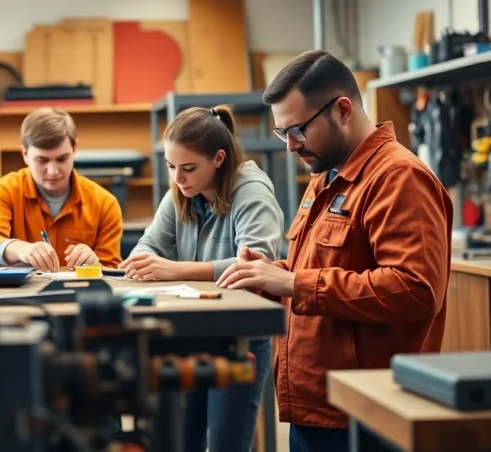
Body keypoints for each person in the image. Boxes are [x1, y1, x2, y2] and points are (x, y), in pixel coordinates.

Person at [216, 50, 452, 452]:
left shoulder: (398, 178)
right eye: (282, 134)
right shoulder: (327, 174)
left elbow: (416, 289)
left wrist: (294, 282)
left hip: (365, 413)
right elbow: (317, 269)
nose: (290, 146)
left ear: (342, 109)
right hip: (315, 403)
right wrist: (271, 276)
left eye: (298, 130)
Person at [121, 105, 283, 452]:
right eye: (171, 167)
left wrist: (175, 269)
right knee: (179, 440)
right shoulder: (183, 190)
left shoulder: (251, 190)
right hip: (187, 332)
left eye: (188, 168)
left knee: (225, 443)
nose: (178, 178)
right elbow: (150, 244)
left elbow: (258, 264)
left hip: (237, 338)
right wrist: (140, 260)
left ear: (219, 159)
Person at [0, 108, 123, 271]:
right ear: (24, 154)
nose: (53, 170)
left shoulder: (105, 203)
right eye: (42, 160)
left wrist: (95, 264)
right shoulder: (4, 191)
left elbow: (112, 270)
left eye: (62, 159)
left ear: (75, 150)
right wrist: (21, 249)